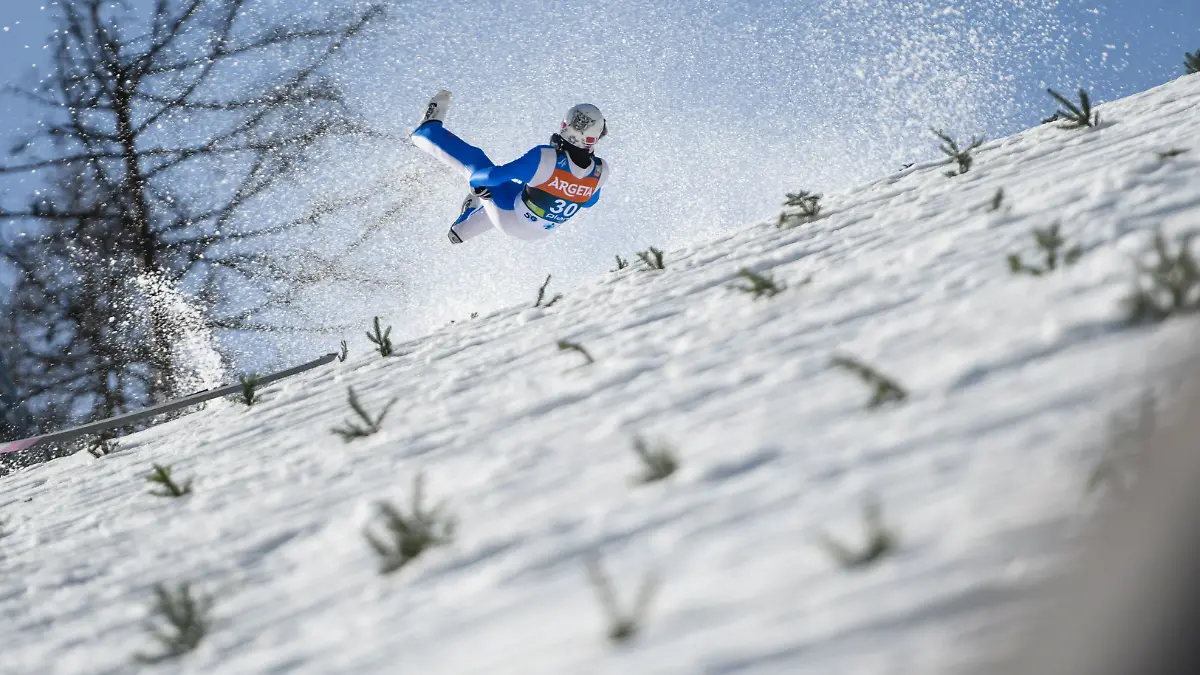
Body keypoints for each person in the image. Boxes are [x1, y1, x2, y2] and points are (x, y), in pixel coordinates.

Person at [410, 90, 610, 244]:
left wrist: (476, 183)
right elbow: (588, 202)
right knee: (530, 191)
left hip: (510, 216)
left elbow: (494, 177)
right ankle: (461, 231)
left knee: (476, 161)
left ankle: (425, 131)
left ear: (565, 126)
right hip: (540, 232)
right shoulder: (601, 171)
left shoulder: (546, 158)